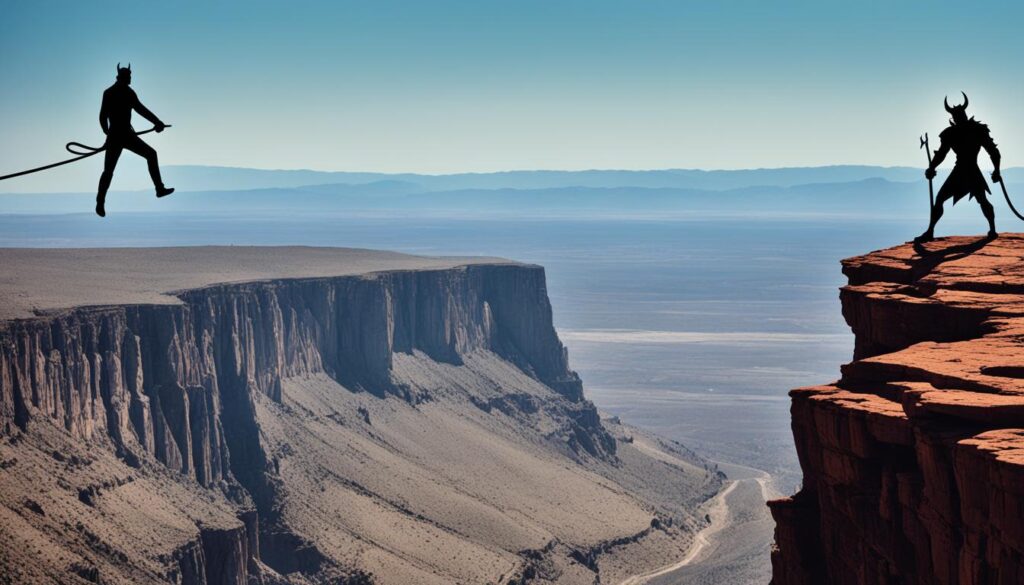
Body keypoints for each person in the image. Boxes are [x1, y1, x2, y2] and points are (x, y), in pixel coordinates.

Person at [915, 92, 1001, 243]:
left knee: (981, 200)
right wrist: (932, 167)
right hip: (962, 171)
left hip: (969, 171)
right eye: (956, 116)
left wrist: (997, 170)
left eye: (960, 115)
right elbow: (942, 153)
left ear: (964, 115)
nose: (958, 118)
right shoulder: (952, 133)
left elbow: (993, 151)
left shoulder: (976, 130)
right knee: (941, 198)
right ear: (954, 118)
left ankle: (993, 229)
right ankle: (930, 231)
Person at [95, 63, 173, 217]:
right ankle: (159, 189)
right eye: (129, 77)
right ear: (123, 77)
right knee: (151, 154)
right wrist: (157, 122)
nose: (131, 79)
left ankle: (100, 202)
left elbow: (102, 117)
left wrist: (108, 133)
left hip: (117, 136)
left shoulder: (109, 92)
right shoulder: (127, 93)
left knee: (108, 171)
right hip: (125, 136)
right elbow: (141, 109)